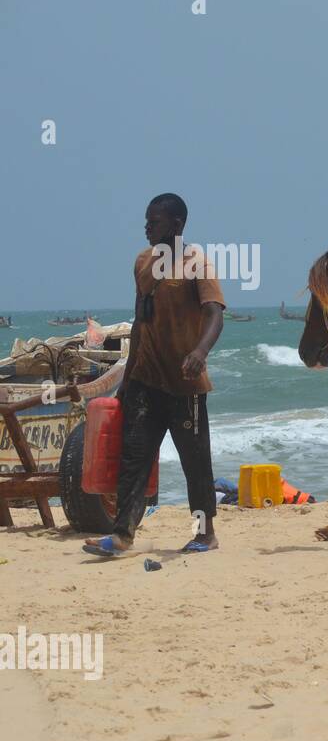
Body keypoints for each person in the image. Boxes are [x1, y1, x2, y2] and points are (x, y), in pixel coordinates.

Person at [83, 193, 225, 557]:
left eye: (155, 221)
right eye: (147, 220)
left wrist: (199, 352)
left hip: (185, 384)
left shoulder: (198, 264)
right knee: (134, 458)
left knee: (195, 463)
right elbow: (140, 322)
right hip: (146, 380)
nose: (147, 227)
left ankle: (204, 534)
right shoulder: (143, 262)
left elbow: (214, 313)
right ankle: (122, 536)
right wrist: (126, 381)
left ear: (177, 225)